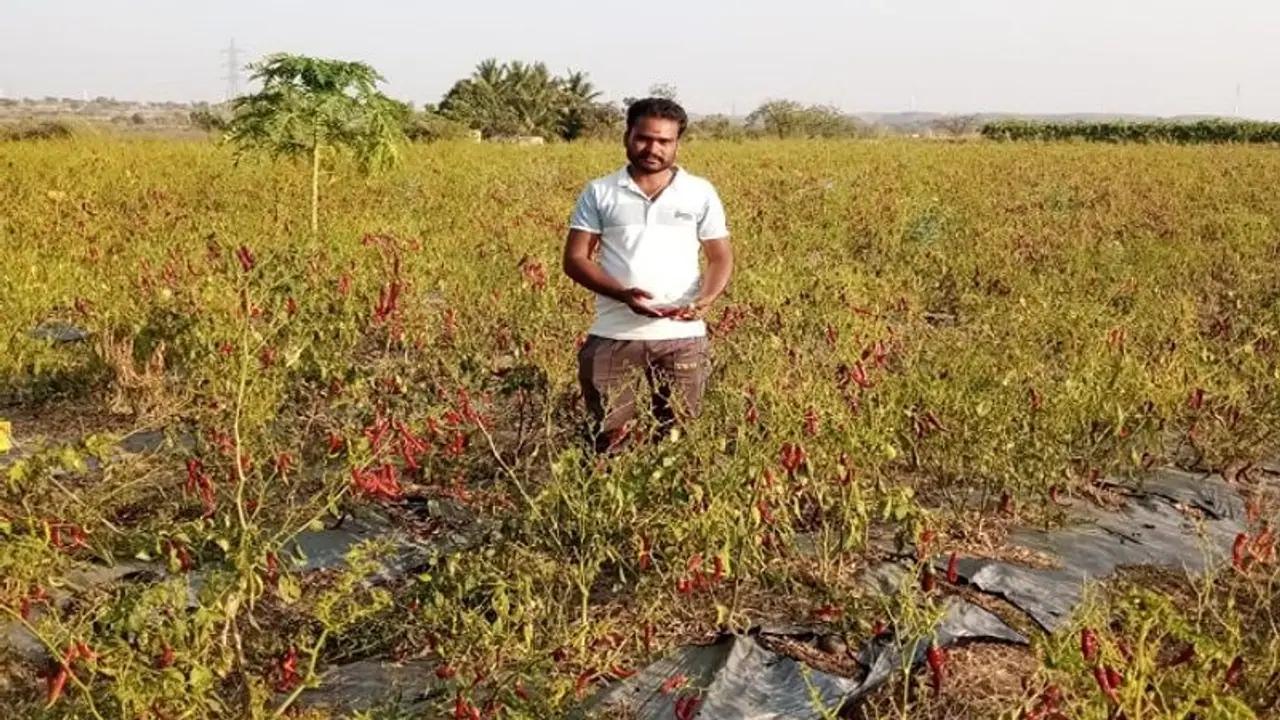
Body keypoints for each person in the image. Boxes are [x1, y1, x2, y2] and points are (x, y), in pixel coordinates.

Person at [562, 97, 734, 453]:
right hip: (613, 334)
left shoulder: (699, 192)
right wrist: (624, 295)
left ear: (677, 144)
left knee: (678, 441)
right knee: (610, 440)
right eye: (643, 138)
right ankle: (611, 507)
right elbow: (576, 259)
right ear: (627, 136)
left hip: (682, 336)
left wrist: (706, 299)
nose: (652, 148)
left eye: (664, 141)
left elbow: (720, 258)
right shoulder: (600, 191)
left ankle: (669, 510)